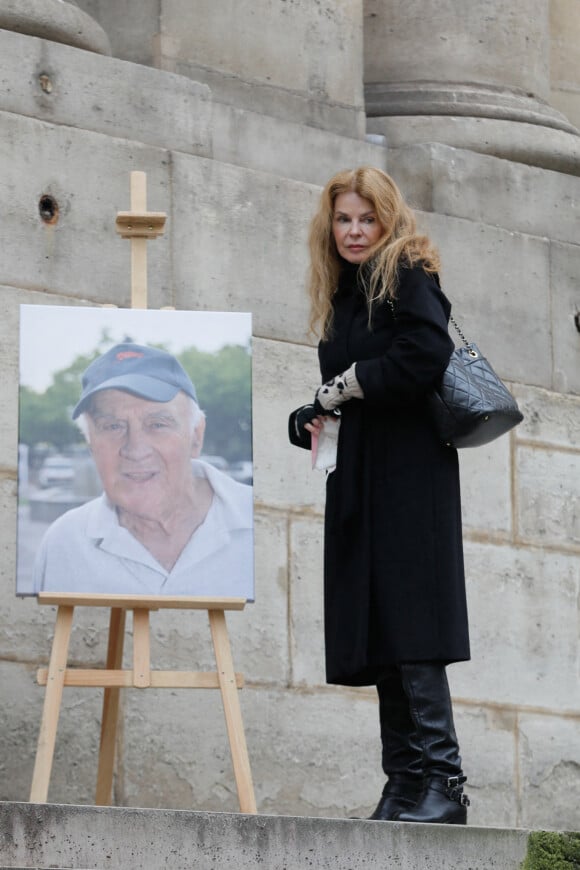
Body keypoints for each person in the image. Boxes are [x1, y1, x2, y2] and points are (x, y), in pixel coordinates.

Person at [289, 167, 471, 824]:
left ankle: (444, 786)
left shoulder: (408, 276)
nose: (355, 231)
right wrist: (312, 411)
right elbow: (343, 386)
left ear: (388, 220)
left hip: (409, 476)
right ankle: (404, 783)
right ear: (329, 226)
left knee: (413, 624)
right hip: (361, 475)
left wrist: (354, 381)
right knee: (381, 629)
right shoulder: (344, 296)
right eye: (344, 219)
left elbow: (425, 355)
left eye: (367, 218)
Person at [33, 343, 253, 599]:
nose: (135, 450)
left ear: (196, 436)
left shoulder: (257, 521)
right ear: (91, 443)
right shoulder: (63, 544)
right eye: (113, 426)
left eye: (158, 424)